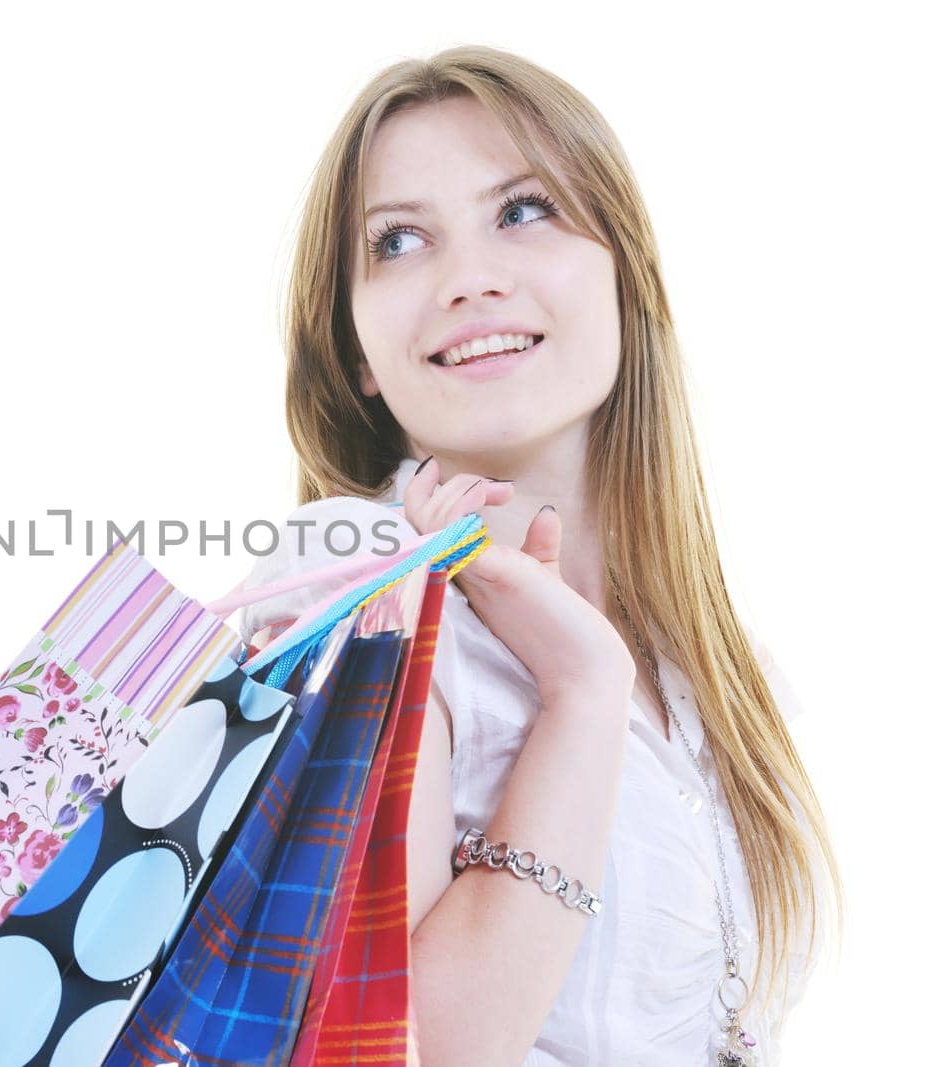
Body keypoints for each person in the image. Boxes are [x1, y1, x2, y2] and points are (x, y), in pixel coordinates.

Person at [236, 45, 843, 1066]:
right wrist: (578, 691)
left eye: (522, 211)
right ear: (354, 353)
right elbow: (403, 1048)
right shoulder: (354, 573)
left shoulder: (722, 671)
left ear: (624, 268)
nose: (469, 278)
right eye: (397, 240)